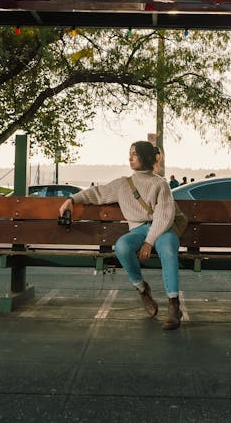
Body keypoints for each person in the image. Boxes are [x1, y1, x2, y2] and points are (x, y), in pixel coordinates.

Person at [59, 141, 182, 331]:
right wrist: (71, 200)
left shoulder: (160, 183)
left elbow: (164, 215)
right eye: (129, 154)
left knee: (167, 250)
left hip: (163, 229)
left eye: (134, 154)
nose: (130, 158)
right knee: (121, 247)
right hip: (138, 230)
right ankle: (142, 290)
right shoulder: (124, 184)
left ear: (145, 157)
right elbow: (96, 193)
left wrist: (149, 241)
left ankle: (174, 305)